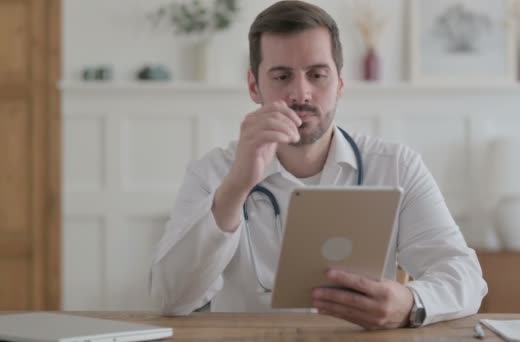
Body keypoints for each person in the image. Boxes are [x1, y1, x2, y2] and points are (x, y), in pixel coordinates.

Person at [149, 0, 487, 330]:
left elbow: (465, 276)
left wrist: (411, 302)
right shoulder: (212, 173)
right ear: (254, 86)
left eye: (317, 75)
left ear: (339, 83)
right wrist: (236, 186)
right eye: (282, 76)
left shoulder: (397, 165)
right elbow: (169, 300)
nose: (301, 93)